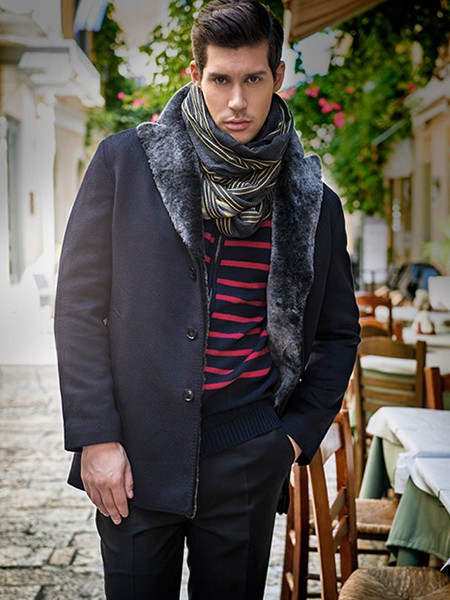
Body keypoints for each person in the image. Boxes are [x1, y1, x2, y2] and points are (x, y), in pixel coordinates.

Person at [54, 1, 360, 598]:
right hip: (134, 456)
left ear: (278, 76)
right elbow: (78, 309)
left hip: (248, 455)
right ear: (195, 75)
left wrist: (291, 438)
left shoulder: (314, 203)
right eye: (221, 79)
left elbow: (337, 333)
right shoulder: (125, 164)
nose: (237, 101)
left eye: (254, 79)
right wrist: (97, 437)